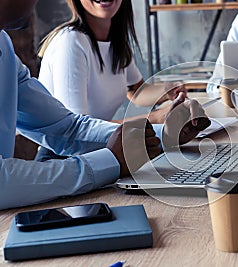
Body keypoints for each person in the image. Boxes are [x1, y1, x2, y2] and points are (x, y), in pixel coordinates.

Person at [0, 0, 209, 210]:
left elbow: (68, 128)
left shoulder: (4, 46)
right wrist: (111, 160)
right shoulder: (70, 42)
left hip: (84, 162)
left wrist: (164, 133)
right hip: (62, 164)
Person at [35, 0, 185, 161]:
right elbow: (78, 132)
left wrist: (168, 91)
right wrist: (154, 119)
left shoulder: (115, 40)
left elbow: (135, 91)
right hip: (65, 159)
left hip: (104, 150)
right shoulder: (70, 42)